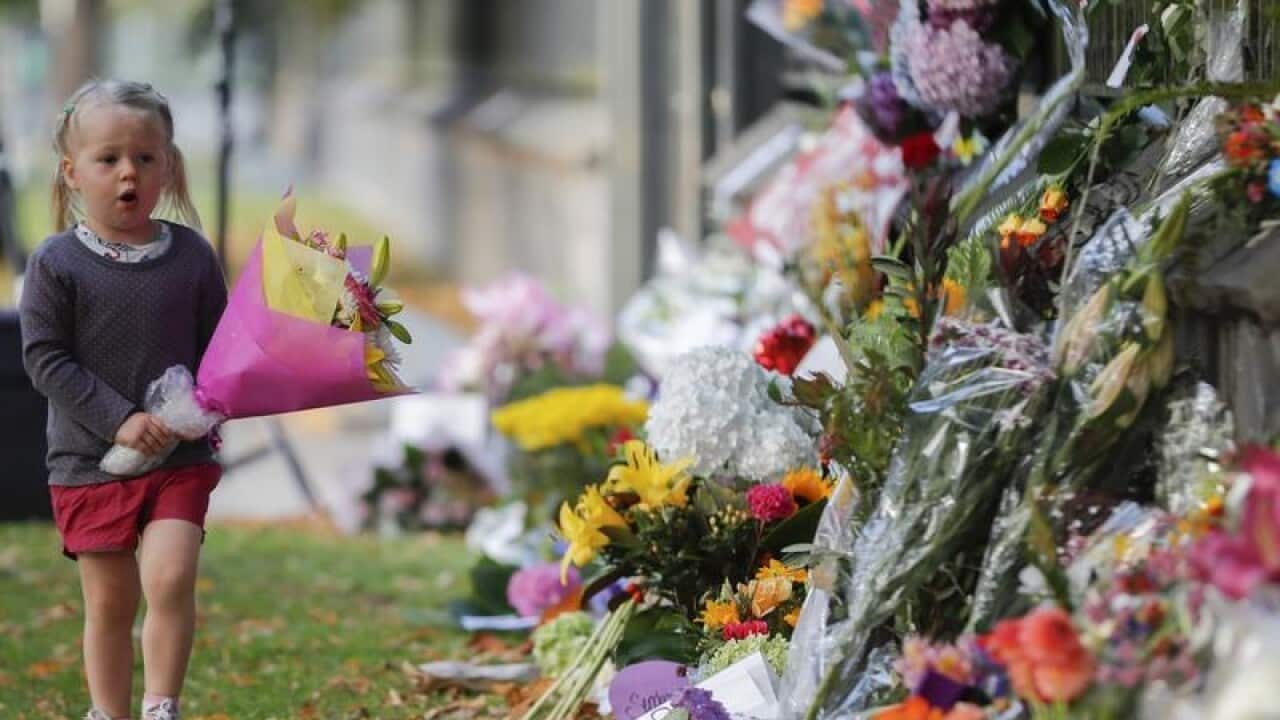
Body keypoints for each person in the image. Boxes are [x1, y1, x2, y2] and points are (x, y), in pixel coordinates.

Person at [18, 79, 227, 720]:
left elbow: (221, 349)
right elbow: (44, 358)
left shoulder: (191, 255)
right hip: (89, 462)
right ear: (73, 172)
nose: (127, 173)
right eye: (108, 159)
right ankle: (109, 712)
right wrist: (120, 419)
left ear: (169, 165)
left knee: (170, 578)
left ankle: (161, 706)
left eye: (145, 157)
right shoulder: (56, 263)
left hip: (178, 458)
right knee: (110, 604)